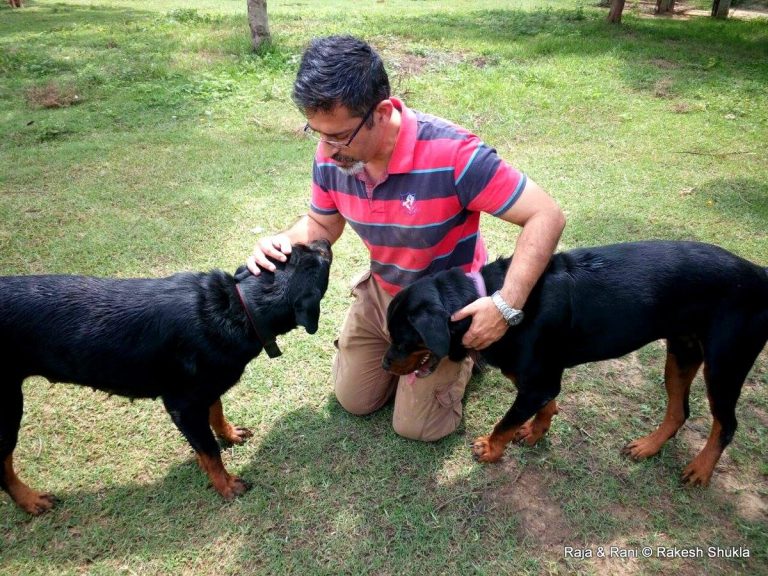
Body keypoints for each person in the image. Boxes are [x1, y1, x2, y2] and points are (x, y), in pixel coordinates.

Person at [248, 35, 565, 442]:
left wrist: (505, 307)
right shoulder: (333, 154)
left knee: (416, 428)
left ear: (381, 112)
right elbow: (322, 225)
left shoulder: (454, 153)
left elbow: (546, 214)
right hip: (384, 290)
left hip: (445, 304)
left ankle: (465, 356)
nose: (326, 150)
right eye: (316, 133)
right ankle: (405, 350)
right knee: (355, 401)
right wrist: (285, 240)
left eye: (339, 136)